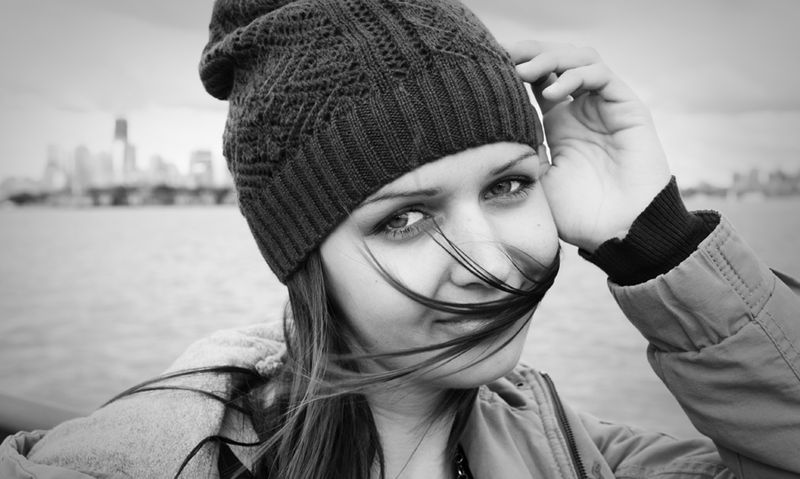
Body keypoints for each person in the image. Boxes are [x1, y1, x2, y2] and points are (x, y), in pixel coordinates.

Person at [2, 0, 799, 477]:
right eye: (403, 218)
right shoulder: (150, 455)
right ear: (304, 256)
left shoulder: (566, 446)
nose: (489, 260)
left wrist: (657, 238)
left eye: (508, 185)